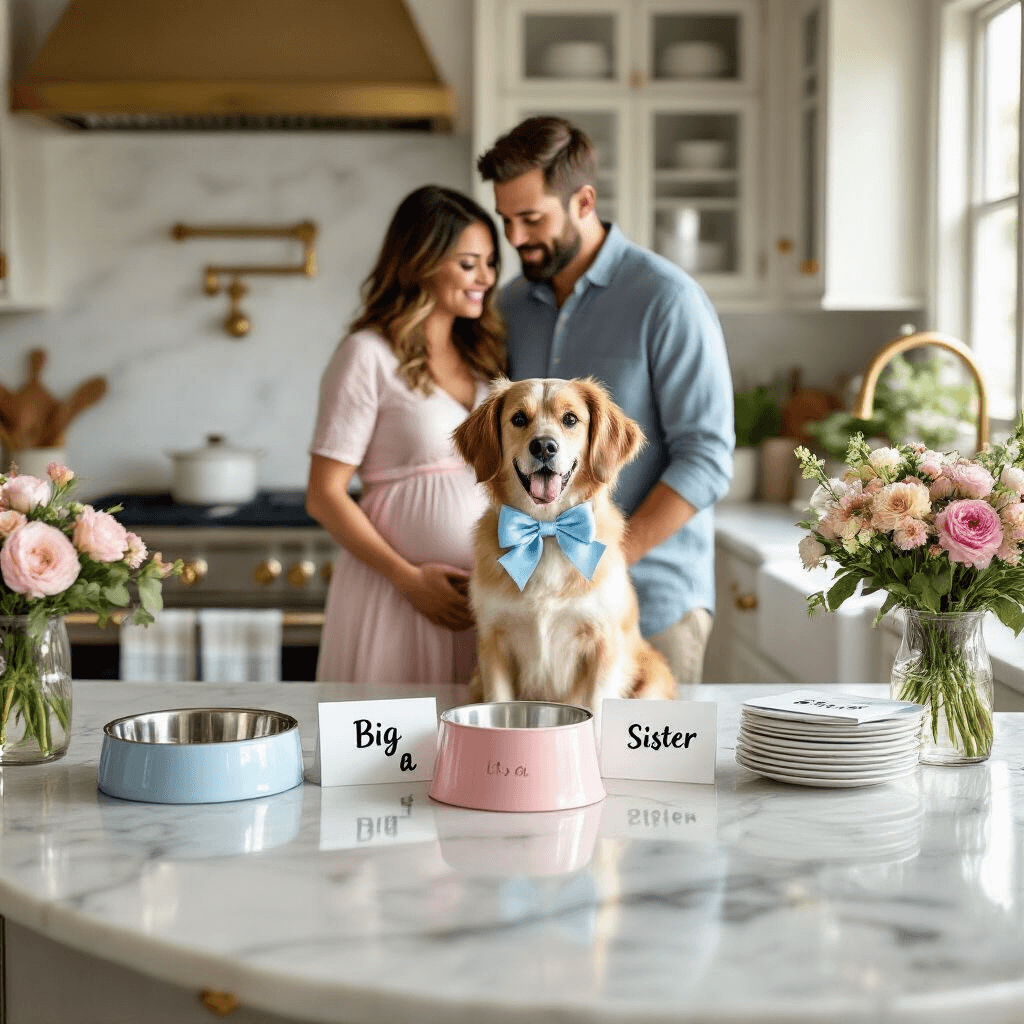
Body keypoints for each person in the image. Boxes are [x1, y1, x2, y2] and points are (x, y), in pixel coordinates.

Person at [477, 116, 734, 684]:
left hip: (655, 604)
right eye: (506, 221)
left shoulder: (667, 299)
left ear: (584, 201)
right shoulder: (511, 307)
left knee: (638, 773)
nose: (515, 239)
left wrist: (607, 560)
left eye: (532, 219)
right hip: (529, 603)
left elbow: (708, 458)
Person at [307, 185, 505, 686]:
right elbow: (324, 495)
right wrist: (410, 581)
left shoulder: (483, 362)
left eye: (489, 262)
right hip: (397, 596)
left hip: (482, 597)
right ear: (422, 262)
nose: (487, 277)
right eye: (468, 263)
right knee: (395, 755)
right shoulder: (366, 354)